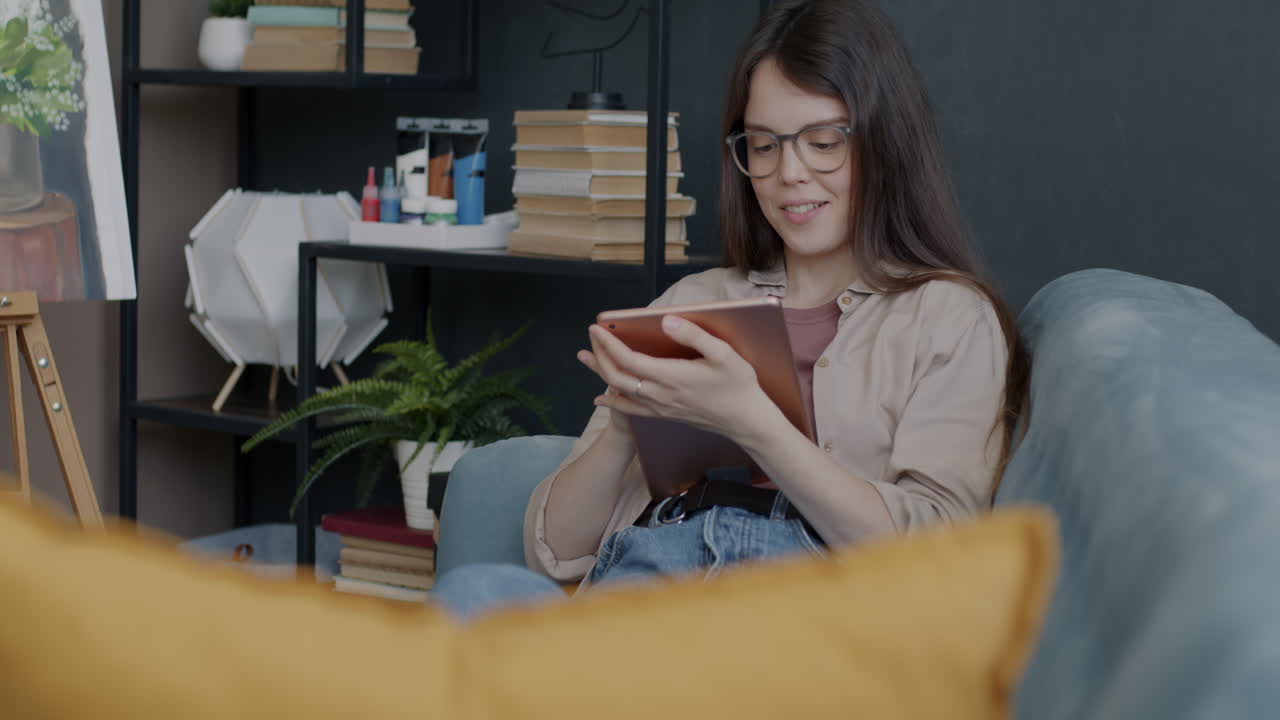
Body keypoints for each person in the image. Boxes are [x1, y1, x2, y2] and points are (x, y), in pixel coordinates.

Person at [433, 0, 1030, 618]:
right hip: (650, 576)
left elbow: (939, 555)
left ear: (886, 140)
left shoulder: (949, 317)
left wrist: (756, 425)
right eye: (764, 146)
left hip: (798, 607)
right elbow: (553, 550)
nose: (788, 174)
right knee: (472, 595)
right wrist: (623, 426)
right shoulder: (693, 303)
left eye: (823, 142)